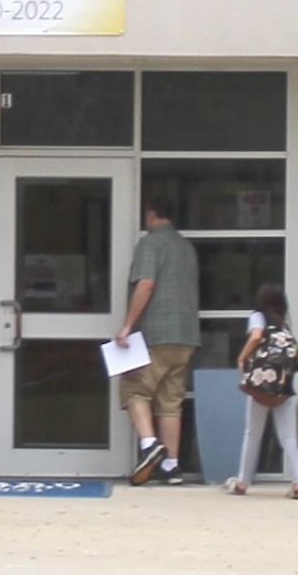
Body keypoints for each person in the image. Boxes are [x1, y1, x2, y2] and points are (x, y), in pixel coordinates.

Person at [115, 195, 200, 486]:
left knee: (134, 388)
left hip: (155, 334)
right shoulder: (186, 247)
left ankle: (150, 446)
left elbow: (146, 284)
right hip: (186, 336)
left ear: (151, 215)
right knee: (171, 401)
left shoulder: (150, 244)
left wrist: (127, 326)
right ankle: (172, 467)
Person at [225, 284, 298, 499]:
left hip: (262, 383)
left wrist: (242, 357)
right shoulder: (284, 324)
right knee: (289, 436)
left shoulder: (258, 317)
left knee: (253, 433)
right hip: (285, 386)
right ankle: (297, 482)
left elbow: (256, 337)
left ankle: (243, 481)